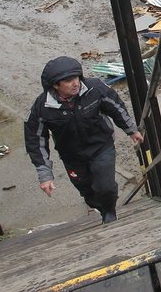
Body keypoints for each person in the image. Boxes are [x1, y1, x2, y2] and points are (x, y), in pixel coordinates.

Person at [24, 56, 143, 224]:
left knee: (106, 187)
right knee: (87, 191)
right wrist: (45, 175)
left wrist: (131, 130)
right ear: (55, 85)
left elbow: (116, 106)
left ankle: (109, 212)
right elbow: (35, 141)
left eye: (76, 77)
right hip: (72, 157)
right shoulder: (42, 108)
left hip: (101, 147)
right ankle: (97, 206)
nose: (75, 83)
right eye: (68, 80)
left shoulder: (95, 89)